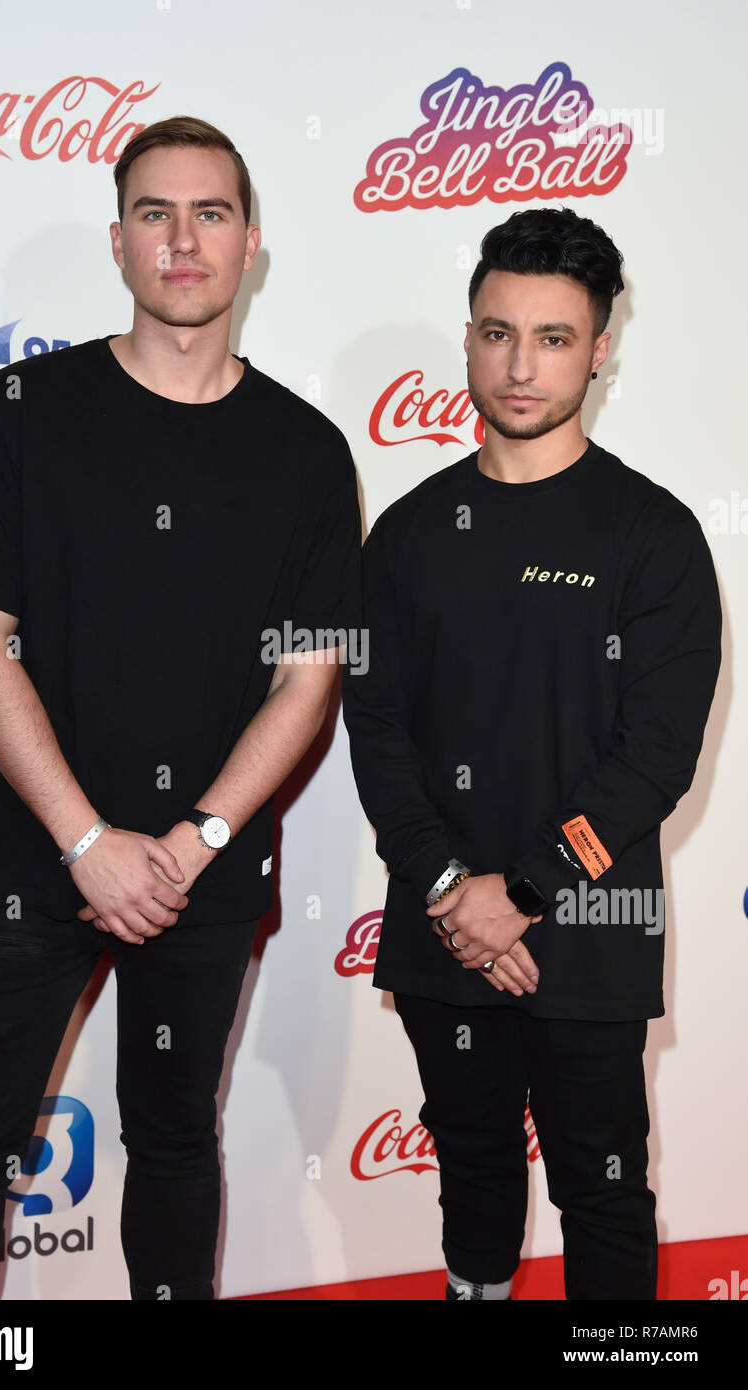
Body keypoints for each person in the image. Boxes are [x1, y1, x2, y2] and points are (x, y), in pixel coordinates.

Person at [0, 115, 361, 1301]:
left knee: (174, 1140)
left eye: (209, 213)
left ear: (250, 243)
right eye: (155, 213)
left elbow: (306, 678)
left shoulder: (305, 453)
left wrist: (193, 842)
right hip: (34, 854)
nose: (183, 239)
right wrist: (89, 842)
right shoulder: (20, 409)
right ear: (117, 242)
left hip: (202, 868)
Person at [341, 207, 721, 1302]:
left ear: (598, 349)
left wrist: (527, 892)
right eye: (496, 331)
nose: (519, 363)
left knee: (602, 1191)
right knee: (470, 1172)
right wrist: (457, 889)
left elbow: (653, 756)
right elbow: (376, 728)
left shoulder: (649, 534)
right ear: (464, 339)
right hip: (442, 927)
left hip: (588, 930)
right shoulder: (408, 535)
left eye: (553, 337)